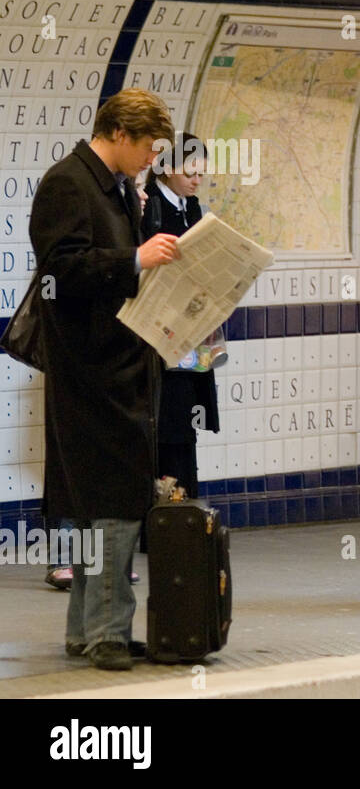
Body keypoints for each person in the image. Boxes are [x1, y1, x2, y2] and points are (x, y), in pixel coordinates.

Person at [31, 88, 181, 670]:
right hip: (90, 370)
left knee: (100, 506)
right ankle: (109, 636)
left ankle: (85, 631)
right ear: (119, 133)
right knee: (117, 503)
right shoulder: (67, 183)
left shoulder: (117, 188)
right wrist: (135, 260)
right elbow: (61, 268)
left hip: (120, 364)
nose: (151, 157)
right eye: (147, 146)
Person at [141, 133, 220, 499]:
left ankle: (184, 515)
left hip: (190, 336)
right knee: (165, 425)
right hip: (158, 335)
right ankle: (161, 518)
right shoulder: (149, 205)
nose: (196, 179)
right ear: (168, 167)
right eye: (190, 170)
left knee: (186, 425)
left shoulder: (193, 207)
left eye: (201, 173)